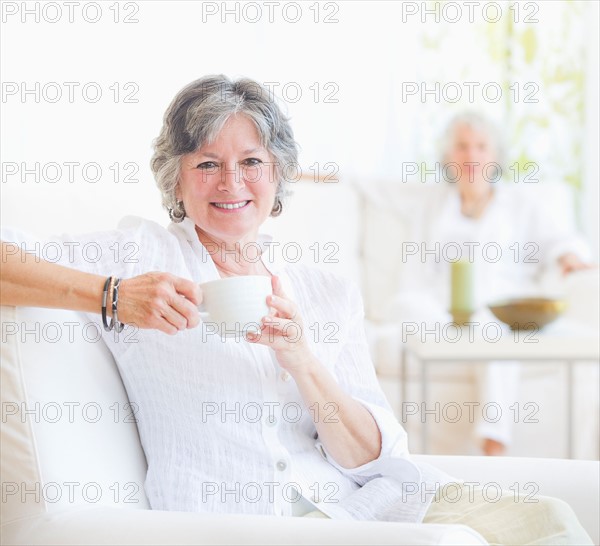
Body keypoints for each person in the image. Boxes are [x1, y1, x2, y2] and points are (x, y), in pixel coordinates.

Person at [0, 76, 593, 544]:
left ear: (277, 174)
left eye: (251, 161)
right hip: (246, 524)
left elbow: (370, 457)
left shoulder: (326, 290)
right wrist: (112, 295)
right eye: (207, 163)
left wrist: (305, 363)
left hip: (371, 504)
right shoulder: (142, 255)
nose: (231, 181)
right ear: (175, 180)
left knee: (550, 518)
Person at [378, 111, 594, 456]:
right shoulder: (432, 202)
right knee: (403, 308)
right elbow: (373, 190)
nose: (471, 156)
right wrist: (314, 173)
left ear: (495, 156)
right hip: (440, 309)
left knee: (491, 330)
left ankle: (495, 439)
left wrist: (569, 256)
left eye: (480, 146)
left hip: (497, 307)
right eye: (462, 147)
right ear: (448, 157)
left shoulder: (521, 203)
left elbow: (560, 239)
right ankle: (397, 450)